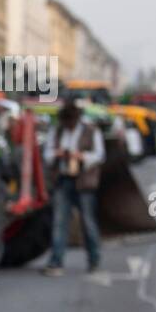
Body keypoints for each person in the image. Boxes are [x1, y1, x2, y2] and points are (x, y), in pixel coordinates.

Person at [41, 99, 105, 276]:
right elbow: (47, 154)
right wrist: (57, 154)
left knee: (88, 221)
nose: (68, 125)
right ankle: (56, 261)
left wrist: (81, 156)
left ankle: (94, 259)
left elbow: (99, 155)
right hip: (63, 180)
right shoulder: (57, 131)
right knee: (59, 222)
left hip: (84, 182)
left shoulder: (91, 131)